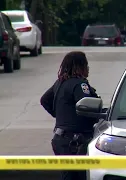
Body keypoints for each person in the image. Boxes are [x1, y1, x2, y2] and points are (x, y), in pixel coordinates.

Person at [40, 51, 100, 180]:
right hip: (74, 143)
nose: (88, 68)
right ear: (80, 66)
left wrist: (61, 116)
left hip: (60, 139)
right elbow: (89, 106)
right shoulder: (80, 84)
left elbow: (44, 100)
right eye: (86, 65)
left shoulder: (60, 83)